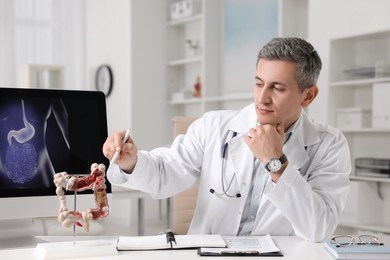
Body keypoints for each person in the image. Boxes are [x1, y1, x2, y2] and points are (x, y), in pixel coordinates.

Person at [103, 37, 351, 242]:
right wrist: (131, 161)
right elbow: (166, 171)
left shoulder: (329, 145)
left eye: (277, 88)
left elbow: (319, 228)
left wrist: (276, 162)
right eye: (258, 83)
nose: (261, 98)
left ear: (308, 96)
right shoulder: (215, 126)